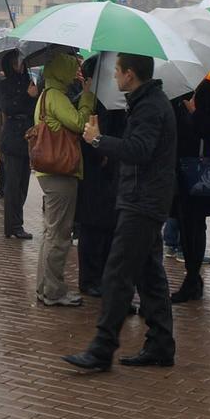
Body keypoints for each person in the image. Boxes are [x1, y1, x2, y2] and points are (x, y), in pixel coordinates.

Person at [64, 53, 177, 372]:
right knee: (148, 273)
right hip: (146, 197)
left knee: (117, 272)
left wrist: (97, 140)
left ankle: (102, 348)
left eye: (117, 71)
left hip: (142, 201)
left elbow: (139, 151)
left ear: (130, 74)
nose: (114, 77)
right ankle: (160, 344)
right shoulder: (147, 103)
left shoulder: (150, 107)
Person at [35, 49, 95, 308]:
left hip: (50, 172)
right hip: (60, 172)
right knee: (59, 235)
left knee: (51, 232)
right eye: (71, 68)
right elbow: (80, 123)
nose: (74, 73)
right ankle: (54, 292)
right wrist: (88, 96)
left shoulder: (45, 94)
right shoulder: (57, 96)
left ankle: (45, 287)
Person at [171, 81, 210, 303]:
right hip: (188, 174)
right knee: (190, 226)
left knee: (193, 226)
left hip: (197, 174)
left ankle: (192, 279)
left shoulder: (206, 91)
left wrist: (193, 112)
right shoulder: (181, 94)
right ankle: (193, 278)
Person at [75, 57, 124, 293]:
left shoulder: (114, 102)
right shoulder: (85, 102)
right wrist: (99, 151)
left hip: (110, 173)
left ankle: (102, 276)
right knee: (91, 228)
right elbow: (81, 134)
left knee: (106, 227)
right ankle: (89, 280)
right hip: (92, 173)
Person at [0, 52, 38, 240]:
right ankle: (13, 226)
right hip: (13, 137)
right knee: (12, 185)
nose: (19, 67)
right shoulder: (3, 85)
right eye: (15, 64)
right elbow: (9, 108)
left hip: (27, 137)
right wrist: (27, 97)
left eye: (20, 63)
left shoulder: (30, 82)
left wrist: (33, 96)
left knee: (24, 183)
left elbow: (34, 109)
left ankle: (16, 223)